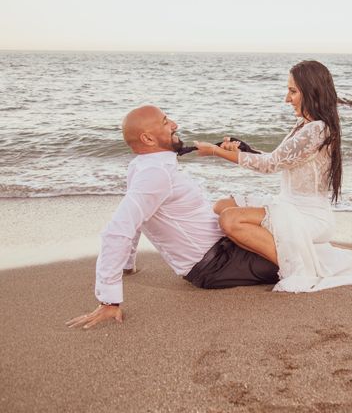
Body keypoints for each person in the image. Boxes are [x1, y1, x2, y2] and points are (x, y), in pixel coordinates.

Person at [195, 61, 352, 293]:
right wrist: (242, 151)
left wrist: (215, 152)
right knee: (222, 205)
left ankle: (303, 266)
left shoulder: (317, 130)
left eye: (292, 91)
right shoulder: (304, 125)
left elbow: (270, 165)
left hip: (308, 214)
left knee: (230, 220)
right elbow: (278, 159)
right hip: (289, 204)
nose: (286, 99)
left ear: (310, 92)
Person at [66, 105, 279, 330]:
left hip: (227, 246)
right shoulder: (154, 174)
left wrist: (127, 265)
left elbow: (139, 220)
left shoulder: (145, 166)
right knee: (303, 260)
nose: (175, 124)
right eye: (166, 122)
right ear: (148, 138)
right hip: (218, 265)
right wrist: (109, 300)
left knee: (294, 233)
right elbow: (118, 231)